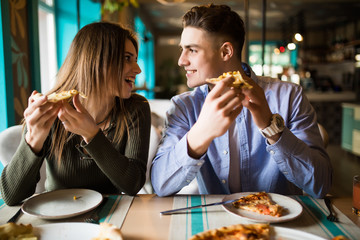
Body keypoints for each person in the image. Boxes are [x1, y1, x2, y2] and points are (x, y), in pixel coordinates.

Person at [151, 4, 332, 198]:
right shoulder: (183, 107)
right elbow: (160, 185)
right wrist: (201, 132)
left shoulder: (289, 96)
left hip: (279, 221)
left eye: (192, 50)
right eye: (182, 49)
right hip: (217, 225)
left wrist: (271, 127)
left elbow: (321, 185)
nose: (181, 60)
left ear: (226, 52)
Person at [0, 22, 151, 206]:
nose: (138, 69)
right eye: (127, 58)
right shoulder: (49, 109)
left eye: (135, 59)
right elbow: (11, 196)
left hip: (112, 217)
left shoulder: (136, 108)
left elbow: (133, 184)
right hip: (56, 218)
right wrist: (34, 139)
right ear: (96, 60)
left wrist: (92, 134)